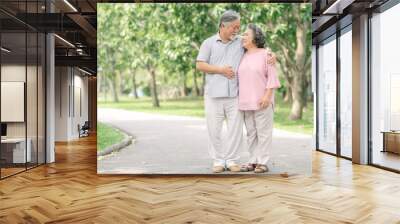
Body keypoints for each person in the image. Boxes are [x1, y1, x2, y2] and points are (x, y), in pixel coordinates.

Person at [196, 10, 276, 173]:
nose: (237, 31)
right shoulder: (208, 43)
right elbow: (200, 65)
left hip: (234, 96)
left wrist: (272, 54)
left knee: (235, 130)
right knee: (214, 129)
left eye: (239, 28)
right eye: (234, 27)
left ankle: (232, 160)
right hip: (213, 95)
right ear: (222, 26)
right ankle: (218, 160)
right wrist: (220, 70)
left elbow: (259, 48)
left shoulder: (241, 42)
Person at [237, 24, 281, 173]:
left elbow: (273, 76)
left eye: (246, 34)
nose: (243, 37)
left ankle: (263, 162)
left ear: (255, 38)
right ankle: (253, 160)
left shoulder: (266, 54)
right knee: (251, 134)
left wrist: (268, 96)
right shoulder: (241, 55)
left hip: (262, 100)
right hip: (246, 102)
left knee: (263, 133)